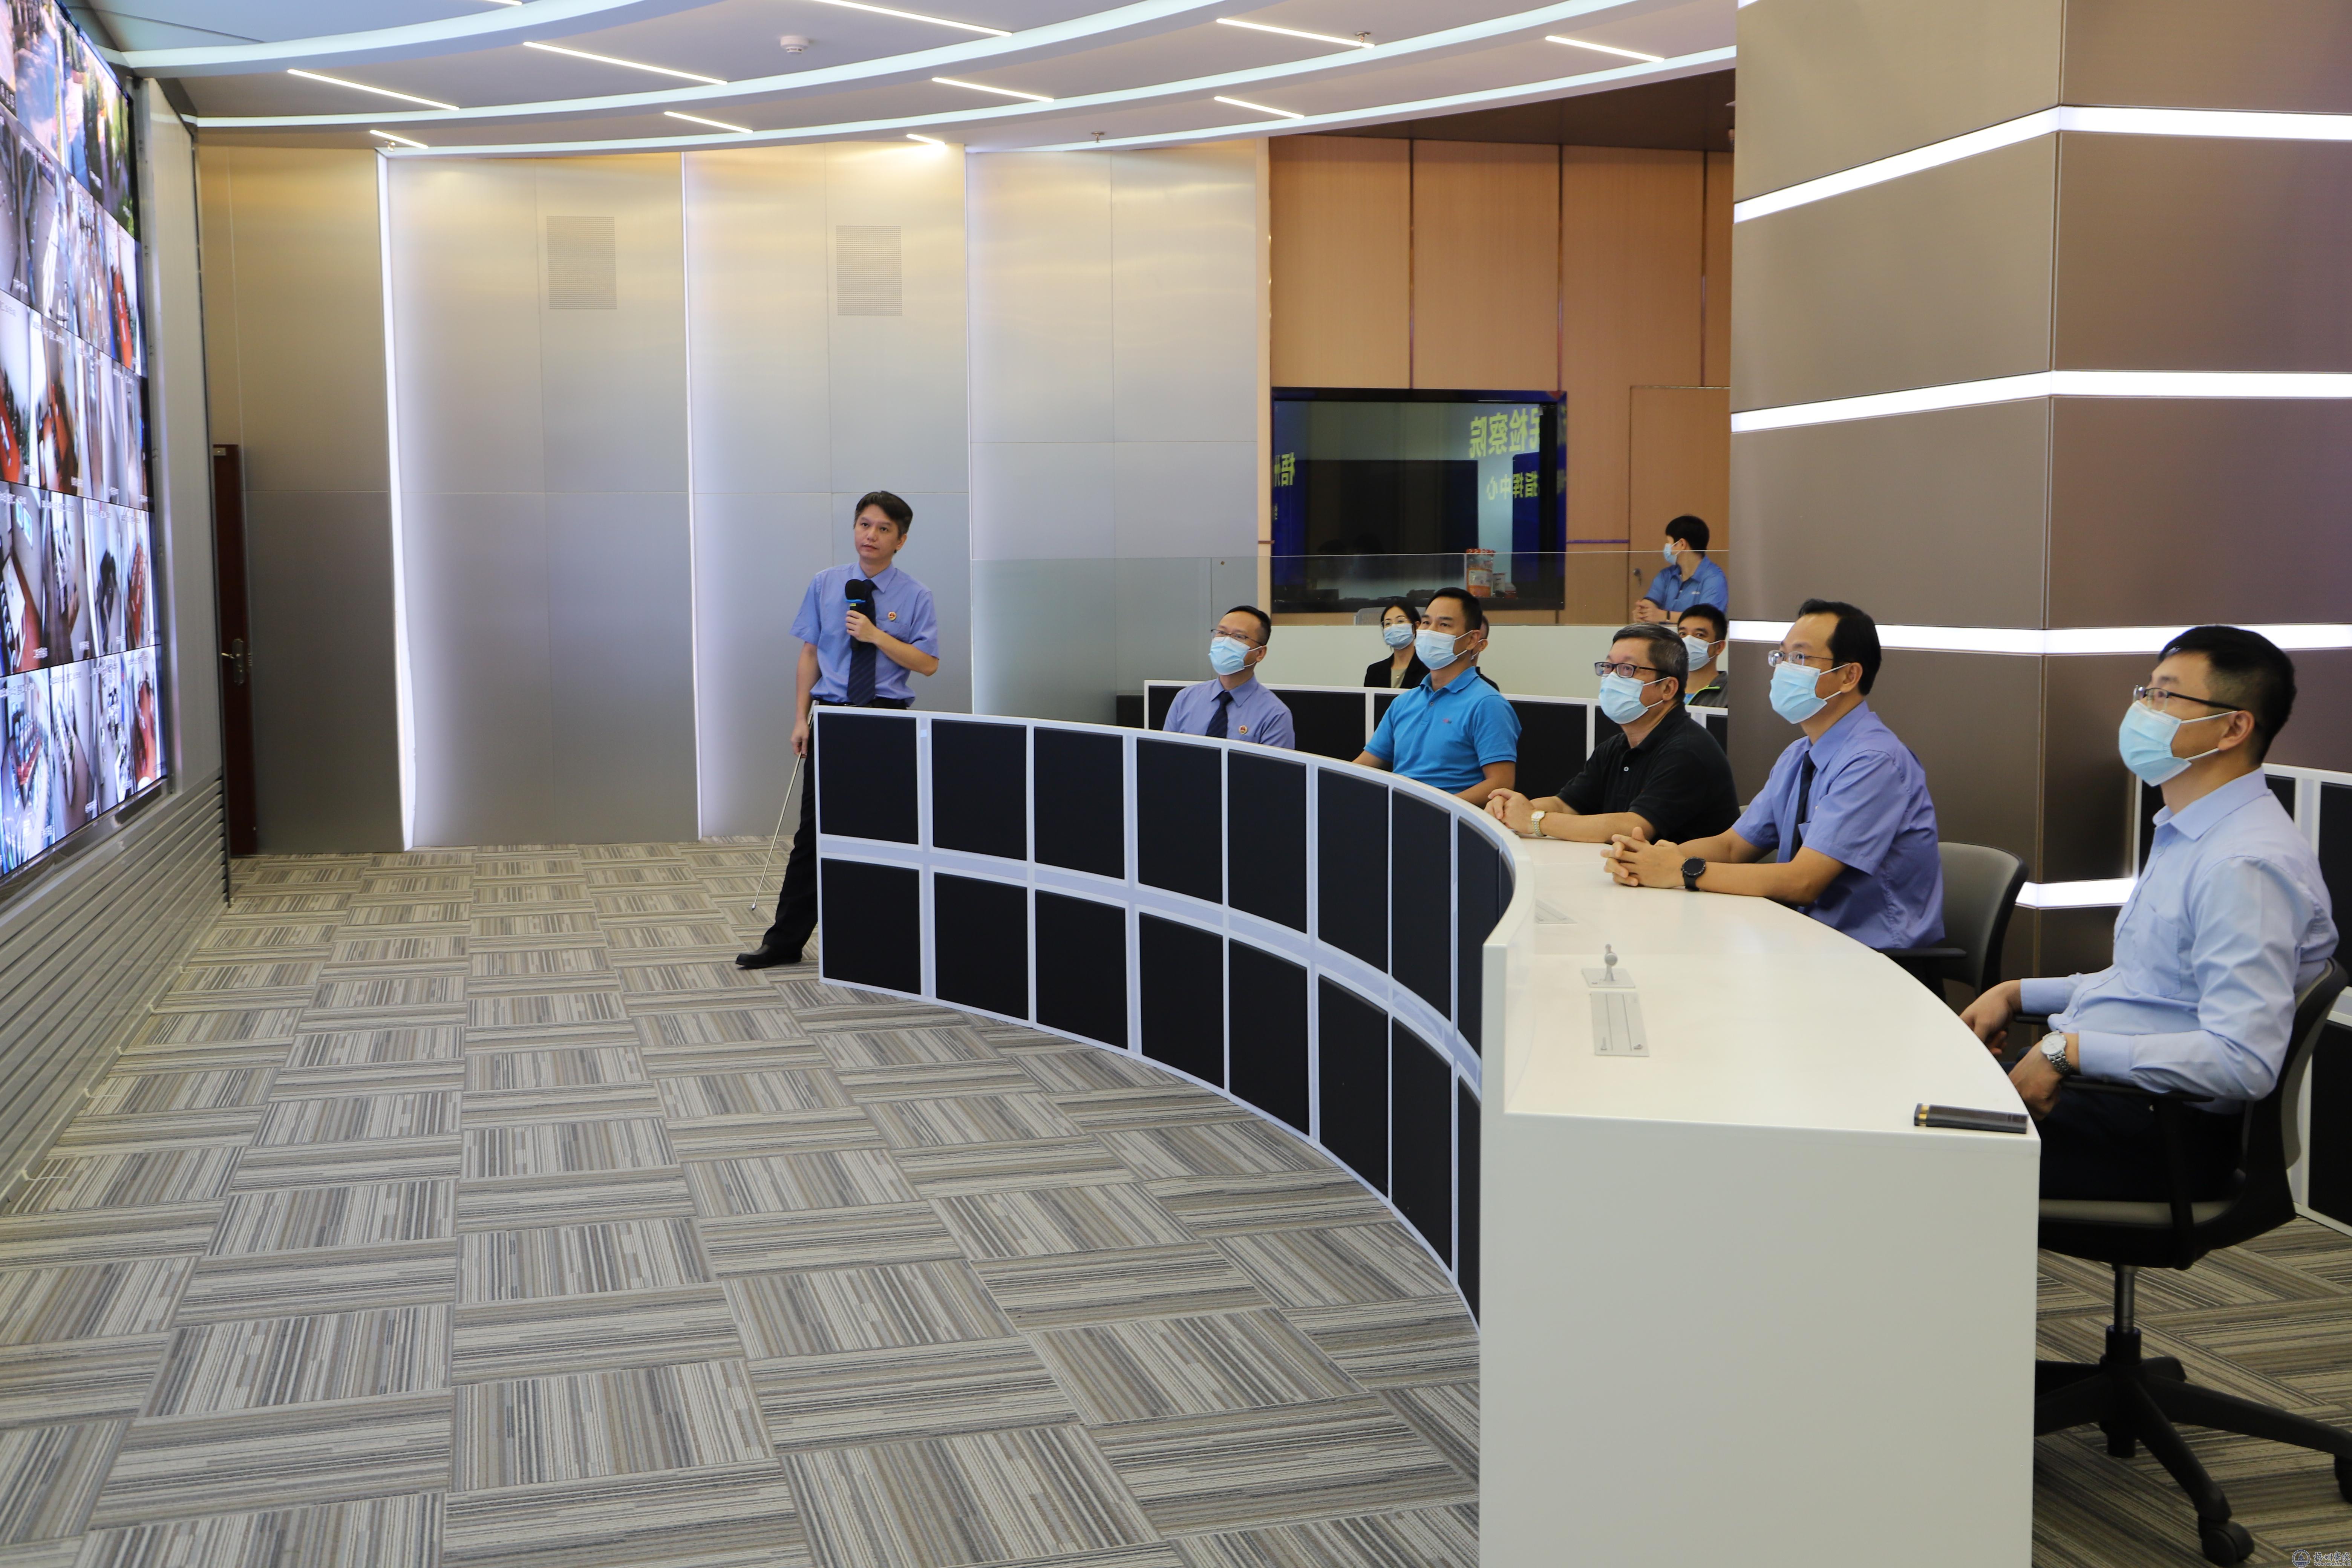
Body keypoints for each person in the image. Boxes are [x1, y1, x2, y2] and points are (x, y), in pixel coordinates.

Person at [1962, 627, 2336, 1200]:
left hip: (2160, 1132)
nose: (2143, 711)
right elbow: (2151, 988)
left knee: (1909, 1151)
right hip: (2115, 1099)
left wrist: (2067, 1051)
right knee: (1912, 1103)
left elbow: (2243, 1059)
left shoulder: (2245, 864)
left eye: (2165, 696)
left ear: (2233, 728)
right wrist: (2015, 993)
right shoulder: (2191, 831)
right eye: (2146, 692)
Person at [1602, 599, 1943, 952]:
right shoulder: (1799, 755)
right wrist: (1653, 858)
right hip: (1803, 942)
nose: (1783, 668)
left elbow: (1803, 881)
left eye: (1800, 657)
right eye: (1782, 656)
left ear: (1848, 676)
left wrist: (1681, 870)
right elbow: (1733, 847)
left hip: (1873, 961)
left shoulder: (1874, 762)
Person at [737, 491, 940, 970]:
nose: (871, 535)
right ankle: (784, 942)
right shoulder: (826, 583)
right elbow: (810, 653)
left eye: (884, 529)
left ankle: (882, 942)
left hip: (886, 718)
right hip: (831, 715)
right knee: (813, 833)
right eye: (864, 525)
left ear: (901, 540)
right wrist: (800, 717)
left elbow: (928, 663)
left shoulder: (917, 595)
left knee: (884, 833)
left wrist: (877, 635)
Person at [1485, 623, 1737, 846]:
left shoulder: (1687, 750)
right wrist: (1510, 809)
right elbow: (1566, 805)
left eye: (1627, 669)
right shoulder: (1616, 747)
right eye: (1608, 667)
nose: (1612, 678)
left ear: (1668, 688)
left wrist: (1534, 820)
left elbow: (1634, 827)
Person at [1352, 586, 1518, 805]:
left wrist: (1439, 809)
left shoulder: (1487, 704)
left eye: (1444, 625)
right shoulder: (1403, 702)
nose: (1430, 631)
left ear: (1472, 640)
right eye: (1426, 622)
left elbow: (1501, 783)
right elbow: (1364, 765)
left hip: (1451, 818)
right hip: (1397, 812)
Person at [1161, 605, 1295, 748]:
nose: (1226, 642)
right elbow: (1166, 755)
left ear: (1260, 653)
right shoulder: (1185, 699)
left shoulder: (1275, 715)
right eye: (1222, 633)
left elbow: (1273, 763)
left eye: (1239, 637)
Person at [1634, 514, 1728, 624]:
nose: (1666, 548)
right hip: (1665, 635)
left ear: (1682, 544)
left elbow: (1707, 619)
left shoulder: (1714, 578)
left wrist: (1666, 616)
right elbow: (1650, 603)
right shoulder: (1666, 575)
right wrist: (1643, 613)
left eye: (1669, 543)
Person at [1364, 597, 1429, 690]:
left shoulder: (1429, 669)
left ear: (1416, 626)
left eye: (1400, 621)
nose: (1393, 627)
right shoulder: (1374, 671)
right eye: (1388, 623)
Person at [1677, 604, 1729, 707]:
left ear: (1719, 647)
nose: (1688, 640)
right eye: (1683, 634)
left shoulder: (1733, 694)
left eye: (1700, 635)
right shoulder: (1665, 689)